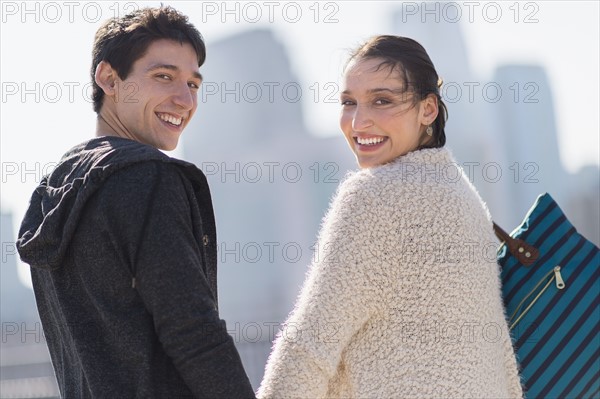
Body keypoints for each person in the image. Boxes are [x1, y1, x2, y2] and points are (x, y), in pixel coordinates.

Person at [257, 35, 523, 398]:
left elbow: (308, 347)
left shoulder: (373, 197)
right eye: (349, 103)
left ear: (428, 109)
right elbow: (501, 359)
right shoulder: (464, 196)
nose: (358, 121)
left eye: (382, 101)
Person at [16, 6, 255, 398]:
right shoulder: (148, 177)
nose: (184, 100)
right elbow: (193, 330)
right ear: (109, 79)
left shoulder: (57, 187)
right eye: (163, 77)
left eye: (193, 84)